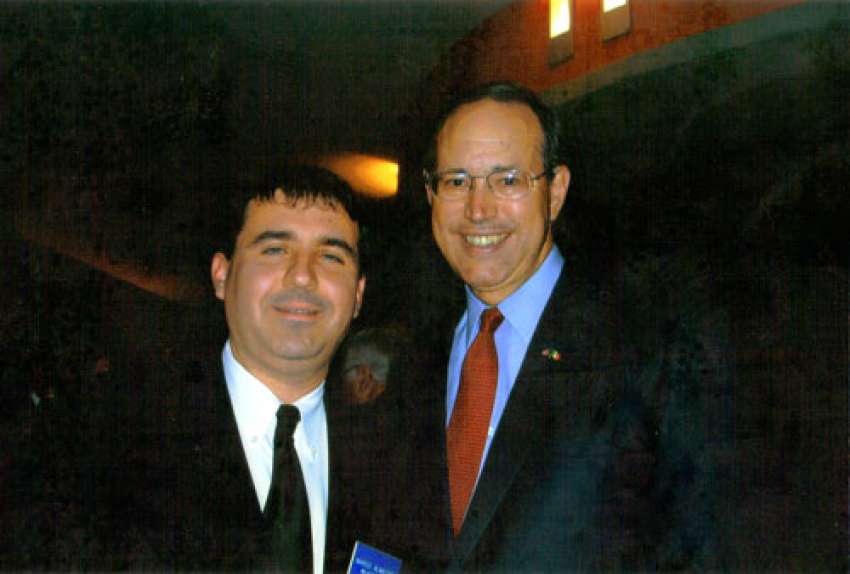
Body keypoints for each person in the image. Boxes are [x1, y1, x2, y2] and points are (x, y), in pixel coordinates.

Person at [382, 82, 720, 571]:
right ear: (430, 193)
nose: (478, 209)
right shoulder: (414, 365)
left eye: (508, 180)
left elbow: (705, 547)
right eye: (456, 181)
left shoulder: (648, 350)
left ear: (555, 191)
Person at [3, 166, 378, 572]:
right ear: (222, 275)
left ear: (358, 295)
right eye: (274, 249)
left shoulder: (394, 466)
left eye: (331, 256)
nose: (303, 275)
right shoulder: (94, 438)